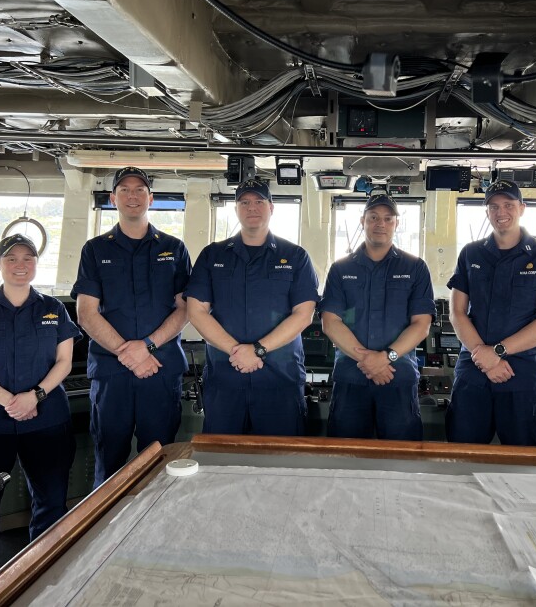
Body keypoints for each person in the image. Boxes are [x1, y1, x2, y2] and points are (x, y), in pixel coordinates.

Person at [0, 234, 80, 596]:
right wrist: (13, 401)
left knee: (51, 498)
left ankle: (45, 562)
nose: (20, 264)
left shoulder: (55, 308)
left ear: (37, 263)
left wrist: (35, 396)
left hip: (46, 419)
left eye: (28, 258)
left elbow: (64, 362)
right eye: (11, 258)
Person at [71, 166, 191, 487]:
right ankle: (103, 535)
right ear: (113, 199)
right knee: (109, 463)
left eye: (140, 190)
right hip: (113, 376)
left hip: (159, 372)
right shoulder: (95, 250)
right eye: (124, 190)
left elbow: (185, 309)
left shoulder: (174, 249)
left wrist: (146, 346)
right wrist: (129, 354)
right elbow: (86, 313)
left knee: (160, 463)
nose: (132, 196)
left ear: (151, 198)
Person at [185, 177, 319, 434]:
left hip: (279, 379)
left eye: (259, 201)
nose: (252, 208)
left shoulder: (296, 256)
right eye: (244, 202)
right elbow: (196, 311)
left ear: (271, 207)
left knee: (279, 460)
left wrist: (256, 350)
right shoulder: (212, 255)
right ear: (235, 209)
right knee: (221, 462)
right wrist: (238, 351)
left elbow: (303, 314)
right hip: (226, 379)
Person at [446, 180, 536, 446]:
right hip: (474, 372)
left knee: (527, 466)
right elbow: (457, 313)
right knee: (461, 459)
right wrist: (483, 356)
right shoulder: (470, 253)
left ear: (522, 208)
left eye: (509, 205)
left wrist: (496, 353)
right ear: (486, 211)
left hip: (523, 375)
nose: (502, 212)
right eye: (494, 206)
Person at [319, 193, 434, 440]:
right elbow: (330, 322)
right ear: (363, 221)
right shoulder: (341, 268)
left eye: (387, 218)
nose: (380, 224)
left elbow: (421, 325)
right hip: (351, 378)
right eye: (373, 217)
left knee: (401, 460)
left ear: (396, 224)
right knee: (345, 458)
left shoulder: (415, 268)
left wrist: (386, 358)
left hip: (397, 377)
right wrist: (369, 361)